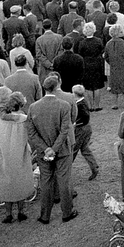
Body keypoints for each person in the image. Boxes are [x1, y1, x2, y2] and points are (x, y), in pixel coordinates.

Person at [27, 74, 77, 224]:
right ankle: (67, 212)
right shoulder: (64, 105)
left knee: (46, 182)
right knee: (64, 181)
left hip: (44, 152)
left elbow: (31, 132)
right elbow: (64, 131)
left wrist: (45, 148)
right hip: (61, 150)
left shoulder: (33, 107)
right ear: (56, 87)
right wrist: (53, 149)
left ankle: (45, 215)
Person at [0, 90, 35, 222]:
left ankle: (8, 213)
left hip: (4, 153)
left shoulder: (0, 121)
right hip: (20, 151)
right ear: (21, 105)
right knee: (20, 179)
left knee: (6, 181)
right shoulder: (25, 120)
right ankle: (21, 211)